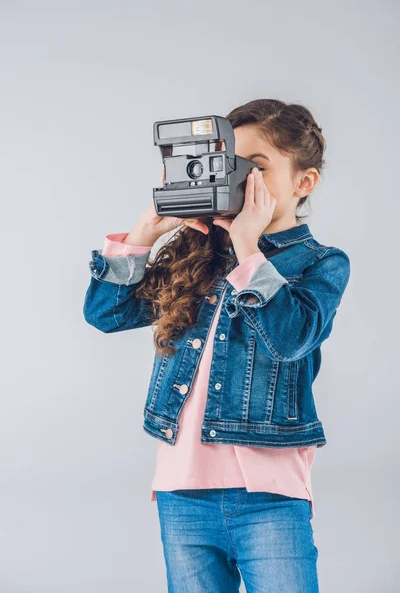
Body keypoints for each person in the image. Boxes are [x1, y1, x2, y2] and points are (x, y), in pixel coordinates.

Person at [83, 99, 351, 592]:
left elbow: (291, 336)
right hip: (182, 490)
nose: (239, 182)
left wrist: (248, 247)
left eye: (257, 169)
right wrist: (145, 233)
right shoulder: (195, 256)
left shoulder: (321, 263)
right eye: (230, 166)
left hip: (269, 494)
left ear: (303, 182)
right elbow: (107, 313)